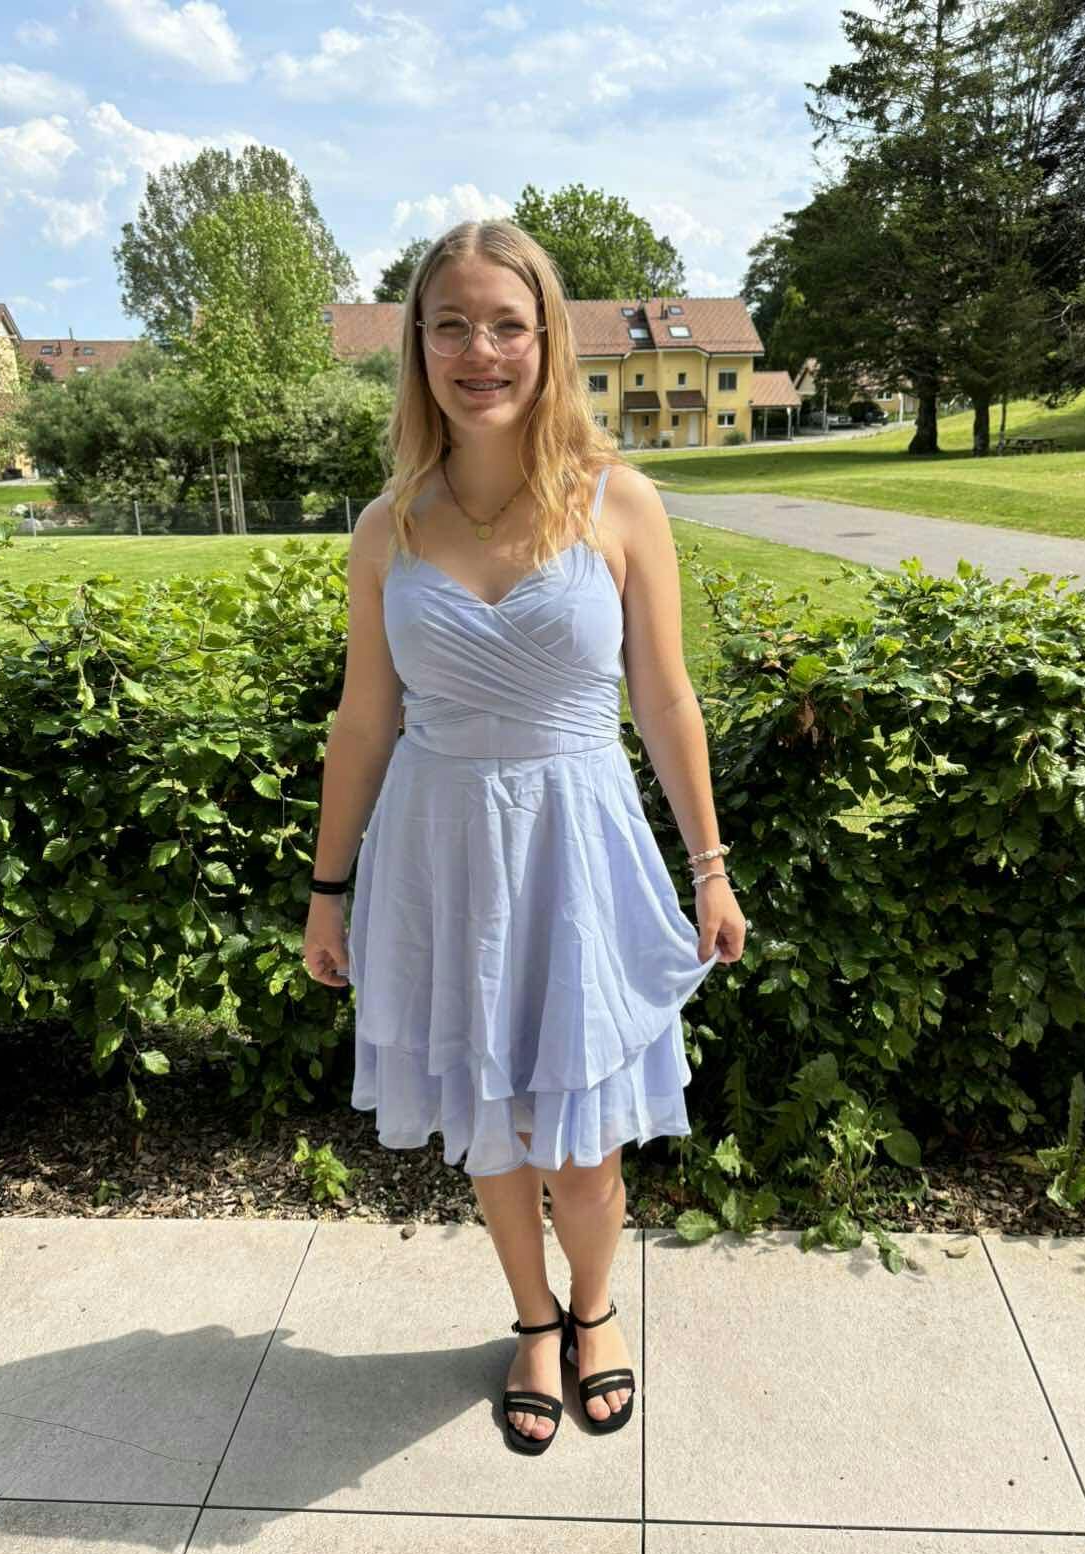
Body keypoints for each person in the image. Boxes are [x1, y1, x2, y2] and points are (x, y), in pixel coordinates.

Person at [301, 219, 748, 1456]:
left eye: (507, 324)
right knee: (489, 1124)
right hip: (439, 855)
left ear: (548, 340)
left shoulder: (621, 500)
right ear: (417, 346)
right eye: (450, 325)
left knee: (584, 1137)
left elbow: (666, 700)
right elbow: (365, 719)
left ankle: (595, 1308)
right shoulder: (388, 526)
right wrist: (327, 890)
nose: (479, 351)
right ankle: (533, 1321)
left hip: (577, 850)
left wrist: (709, 868)